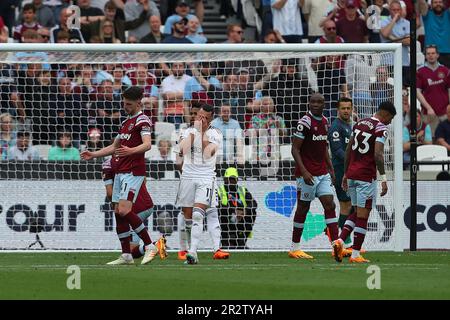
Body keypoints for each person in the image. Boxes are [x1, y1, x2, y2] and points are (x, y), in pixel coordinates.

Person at [81, 86, 166, 265]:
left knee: (125, 210)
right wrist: (94, 154)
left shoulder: (143, 121)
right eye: (124, 103)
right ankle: (126, 255)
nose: (125, 106)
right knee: (118, 213)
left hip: (134, 171)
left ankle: (150, 245)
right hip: (121, 172)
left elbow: (147, 145)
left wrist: (130, 151)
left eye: (128, 104)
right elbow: (115, 147)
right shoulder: (125, 122)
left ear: (138, 103)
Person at [333, 101, 397, 263]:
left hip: (352, 174)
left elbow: (348, 150)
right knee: (363, 215)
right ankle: (355, 254)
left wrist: (346, 173)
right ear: (386, 114)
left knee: (355, 211)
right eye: (390, 118)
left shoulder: (360, 123)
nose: (390, 122)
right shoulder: (381, 128)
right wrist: (383, 178)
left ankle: (340, 241)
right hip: (365, 176)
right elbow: (378, 154)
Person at [289, 93, 339, 259]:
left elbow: (324, 147)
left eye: (319, 102)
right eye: (313, 102)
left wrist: (331, 169)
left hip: (322, 172)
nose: (316, 104)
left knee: (330, 204)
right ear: (309, 103)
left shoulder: (325, 122)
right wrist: (303, 171)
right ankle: (295, 248)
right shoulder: (304, 122)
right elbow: (294, 149)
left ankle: (336, 244)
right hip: (307, 174)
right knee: (303, 208)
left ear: (324, 104)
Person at [176, 104, 228, 264]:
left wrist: (202, 133)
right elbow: (181, 151)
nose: (201, 119)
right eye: (199, 116)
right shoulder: (186, 131)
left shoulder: (216, 133)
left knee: (199, 213)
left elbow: (208, 153)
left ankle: (193, 252)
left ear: (211, 118)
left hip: (206, 177)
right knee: (187, 216)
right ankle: (186, 249)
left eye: (205, 117)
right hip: (188, 176)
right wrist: (195, 133)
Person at [102, 155, 166, 261]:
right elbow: (144, 180)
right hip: (146, 202)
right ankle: (147, 247)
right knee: (128, 246)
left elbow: (109, 193)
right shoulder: (132, 159)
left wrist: (117, 201)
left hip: (134, 207)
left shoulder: (108, 163)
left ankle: (154, 245)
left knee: (131, 250)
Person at [327, 97, 354, 255]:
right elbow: (337, 151)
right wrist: (354, 162)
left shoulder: (348, 126)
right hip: (340, 171)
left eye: (348, 108)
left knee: (349, 205)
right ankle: (343, 243)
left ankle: (339, 240)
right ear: (338, 110)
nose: (346, 111)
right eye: (343, 108)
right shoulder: (336, 127)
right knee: (346, 205)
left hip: (348, 171)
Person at [217, 167, 258, 249]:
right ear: (225, 179)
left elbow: (254, 203)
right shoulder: (219, 190)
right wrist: (234, 211)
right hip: (225, 217)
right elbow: (217, 206)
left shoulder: (242, 190)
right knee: (220, 213)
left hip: (241, 218)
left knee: (252, 212)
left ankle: (242, 241)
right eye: (230, 179)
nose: (231, 181)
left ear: (237, 180)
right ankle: (226, 242)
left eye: (233, 179)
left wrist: (245, 211)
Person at [416, 45, 450, 136]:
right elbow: (417, 92)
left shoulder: (445, 70)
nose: (431, 55)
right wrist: (429, 108)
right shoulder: (420, 71)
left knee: (446, 139)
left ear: (437, 55)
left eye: (433, 53)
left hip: (445, 113)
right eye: (428, 54)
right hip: (429, 114)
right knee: (431, 139)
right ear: (425, 56)